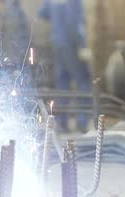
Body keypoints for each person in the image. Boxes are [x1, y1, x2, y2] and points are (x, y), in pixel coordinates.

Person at [39, 0, 93, 132]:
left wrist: (57, 19)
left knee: (63, 82)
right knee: (83, 82)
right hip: (71, 44)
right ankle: (82, 122)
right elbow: (75, 22)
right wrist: (82, 45)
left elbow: (42, 13)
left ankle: (61, 122)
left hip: (57, 42)